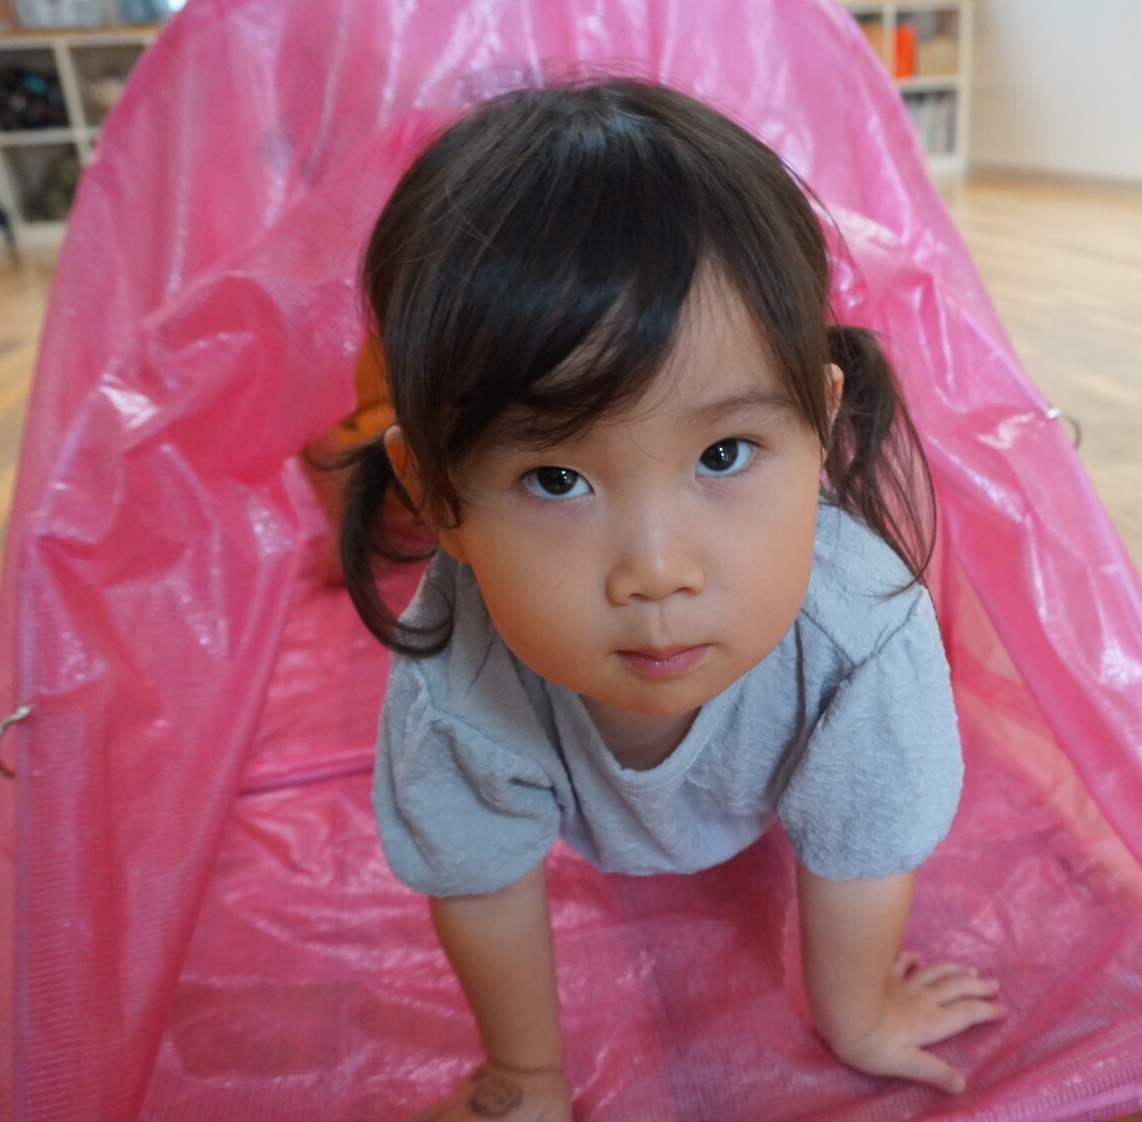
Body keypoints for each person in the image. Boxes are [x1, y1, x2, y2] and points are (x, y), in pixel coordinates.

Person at [335, 77, 1003, 1121]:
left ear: (820, 431)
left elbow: (863, 848)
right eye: (557, 477)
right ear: (435, 496)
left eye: (724, 453)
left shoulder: (865, 630)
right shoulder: (451, 665)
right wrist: (526, 1077)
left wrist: (860, 1017)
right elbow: (478, 876)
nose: (656, 569)